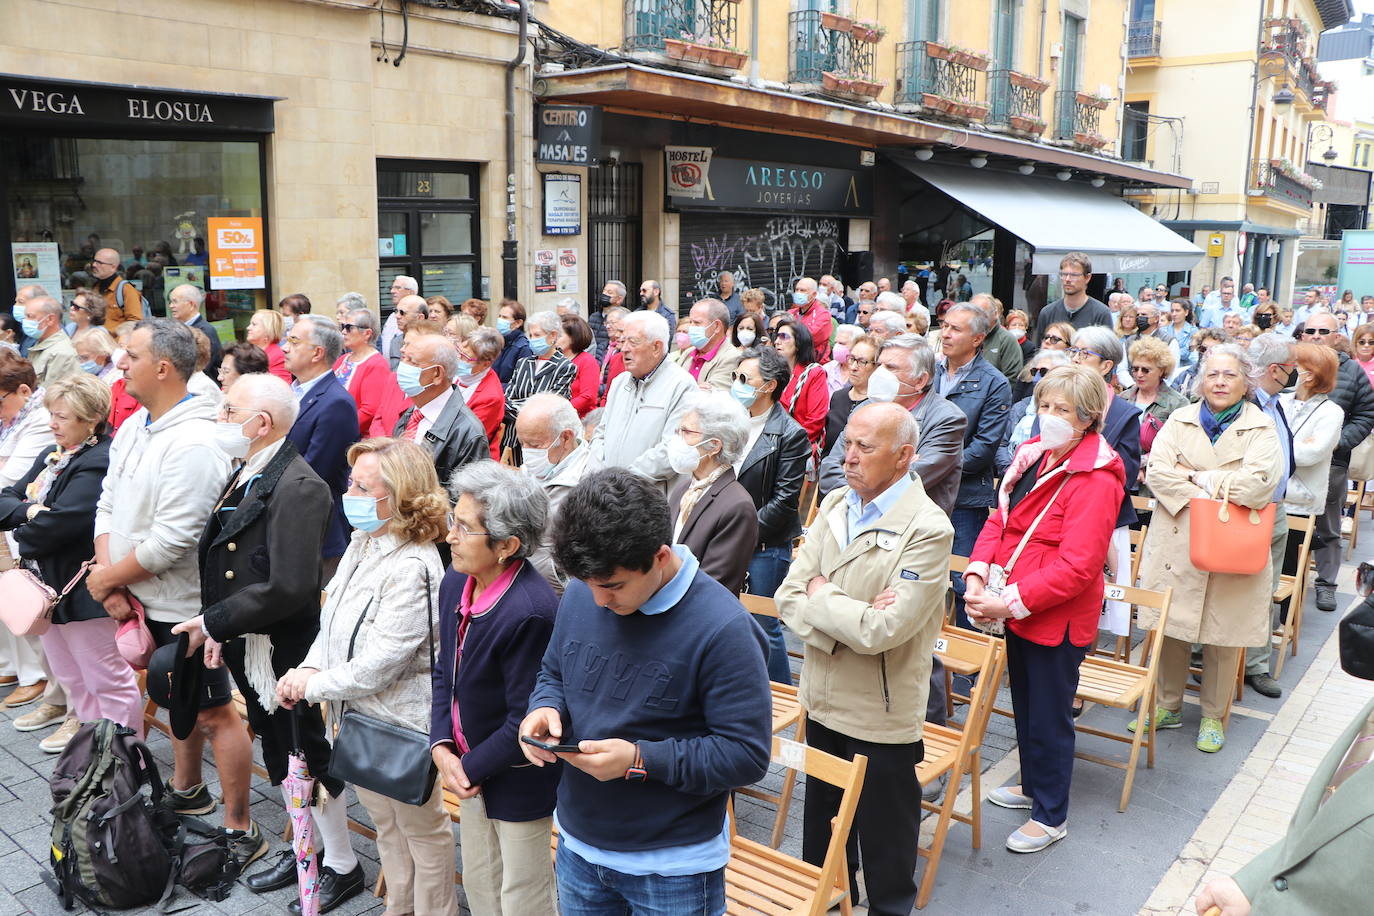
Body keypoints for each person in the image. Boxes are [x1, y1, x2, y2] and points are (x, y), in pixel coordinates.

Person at [519, 468, 770, 916]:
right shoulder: (585, 587)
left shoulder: (724, 628)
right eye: (589, 585)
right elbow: (555, 670)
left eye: (613, 586)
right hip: (577, 845)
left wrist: (639, 760)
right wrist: (544, 707)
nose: (599, 601)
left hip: (672, 867)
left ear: (659, 556)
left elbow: (746, 756)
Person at [170, 373, 360, 911]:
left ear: (263, 423)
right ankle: (308, 846)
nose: (221, 420)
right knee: (280, 749)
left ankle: (342, 864)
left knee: (307, 752)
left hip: (281, 647)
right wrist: (219, 625)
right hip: (249, 640)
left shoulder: (298, 484)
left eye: (230, 411)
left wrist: (214, 622)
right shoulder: (250, 468)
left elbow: (291, 585)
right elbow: (229, 560)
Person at [87, 319, 261, 859]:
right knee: (173, 693)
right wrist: (107, 578)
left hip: (186, 605)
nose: (120, 363)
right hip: (137, 591)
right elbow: (108, 501)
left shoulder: (195, 441)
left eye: (130, 354)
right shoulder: (140, 424)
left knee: (212, 712)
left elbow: (174, 540)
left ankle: (240, 828)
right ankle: (187, 791)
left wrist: (109, 578)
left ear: (162, 367)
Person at [777, 402, 952, 914]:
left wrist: (821, 596)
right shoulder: (835, 502)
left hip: (880, 712)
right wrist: (841, 612)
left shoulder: (928, 527)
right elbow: (789, 597)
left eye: (864, 448)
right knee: (822, 847)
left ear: (903, 457)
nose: (848, 457)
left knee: (886, 850)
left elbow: (883, 631)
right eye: (846, 444)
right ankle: (834, 904)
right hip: (822, 696)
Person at [276, 437, 452, 915]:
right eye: (351, 481)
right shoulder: (364, 541)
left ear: (399, 497)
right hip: (358, 718)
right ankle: (400, 906)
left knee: (424, 834)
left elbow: (380, 663)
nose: (348, 492)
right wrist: (311, 664)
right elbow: (330, 621)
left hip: (399, 724)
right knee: (388, 828)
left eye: (361, 485)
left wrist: (311, 685)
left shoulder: (414, 566)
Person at [967, 365, 1125, 852]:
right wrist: (976, 570)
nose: (1049, 416)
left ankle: (1051, 812)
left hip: (1052, 614)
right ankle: (1032, 785)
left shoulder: (1096, 478)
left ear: (1088, 419)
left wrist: (1008, 601)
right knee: (1026, 705)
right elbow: (1002, 520)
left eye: (1062, 409)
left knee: (1051, 714)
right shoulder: (1033, 455)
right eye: (1045, 405)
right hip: (1019, 604)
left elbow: (1079, 566)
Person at [1134, 344, 1283, 753]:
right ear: (1200, 379)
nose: (1219, 381)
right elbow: (1159, 475)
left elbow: (1258, 488)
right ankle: (1167, 706)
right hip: (1179, 537)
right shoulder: (1178, 419)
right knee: (1173, 626)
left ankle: (1214, 717)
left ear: (1246, 382)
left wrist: (1197, 477)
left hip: (1234, 542)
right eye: (1212, 374)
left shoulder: (1261, 427)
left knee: (1224, 631)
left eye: (1230, 375)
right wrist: (1217, 487)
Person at [426, 461, 560, 915]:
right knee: (481, 882)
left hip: (515, 773)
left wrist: (465, 768)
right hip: (471, 767)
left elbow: (524, 721)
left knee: (522, 894)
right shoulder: (454, 582)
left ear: (507, 545)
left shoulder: (530, 610)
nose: (450, 536)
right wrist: (441, 745)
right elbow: (444, 668)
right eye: (453, 521)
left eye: (464, 528)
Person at [0, 375, 139, 751]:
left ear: (90, 419)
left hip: (80, 590)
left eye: (61, 416)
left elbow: (56, 527)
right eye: (51, 414)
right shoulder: (56, 452)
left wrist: (24, 525)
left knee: (106, 680)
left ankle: (125, 760)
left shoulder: (98, 460)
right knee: (71, 677)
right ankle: (93, 753)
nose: (52, 423)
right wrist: (32, 511)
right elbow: (5, 499)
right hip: (48, 586)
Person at [819, 334, 968, 515]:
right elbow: (829, 469)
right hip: (853, 519)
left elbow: (911, 481)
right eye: (879, 365)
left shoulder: (947, 419)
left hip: (909, 531)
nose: (879, 374)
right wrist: (860, 492)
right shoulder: (866, 407)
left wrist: (853, 474)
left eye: (890, 367)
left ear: (920, 380)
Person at [732, 347, 809, 683]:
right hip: (729, 538)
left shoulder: (790, 434)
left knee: (764, 626)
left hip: (764, 546)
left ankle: (782, 695)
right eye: (735, 377)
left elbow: (783, 502)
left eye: (745, 379)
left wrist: (739, 533)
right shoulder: (729, 421)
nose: (737, 385)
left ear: (770, 385)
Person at [939, 303, 1013, 628]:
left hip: (964, 498)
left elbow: (983, 449)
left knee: (963, 581)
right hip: (921, 492)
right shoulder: (929, 371)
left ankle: (969, 673)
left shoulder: (994, 383)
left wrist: (928, 467)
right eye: (944, 326)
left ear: (978, 338)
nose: (946, 333)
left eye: (956, 329)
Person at [1303, 310, 1374, 612]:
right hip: (1288, 462)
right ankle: (1286, 578)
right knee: (1285, 523)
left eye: (1323, 331)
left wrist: (1339, 441)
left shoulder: (1352, 371)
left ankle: (1326, 584)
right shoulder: (1291, 367)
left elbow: (1366, 413)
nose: (1317, 335)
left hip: (1332, 464)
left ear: (1336, 336)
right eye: (1311, 331)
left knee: (1328, 525)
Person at [0, 349, 59, 715]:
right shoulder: (12, 418)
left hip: (22, 521)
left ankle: (34, 676)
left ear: (23, 391)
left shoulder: (37, 420)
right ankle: (13, 668)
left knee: (21, 599)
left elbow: (9, 480)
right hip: (9, 516)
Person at [283, 315, 360, 579]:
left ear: (317, 353)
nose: (285, 347)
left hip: (318, 531)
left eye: (294, 341)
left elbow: (314, 472)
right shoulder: (293, 392)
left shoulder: (335, 403)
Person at [589, 310, 698, 495]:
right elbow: (600, 434)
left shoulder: (681, 385)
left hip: (649, 500)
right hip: (610, 496)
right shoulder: (619, 382)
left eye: (633, 342)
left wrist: (623, 481)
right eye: (623, 341)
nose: (623, 349)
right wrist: (602, 476)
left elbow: (672, 448)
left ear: (656, 347)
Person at [665, 393, 758, 595]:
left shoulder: (737, 506)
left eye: (686, 432)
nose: (677, 440)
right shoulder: (682, 490)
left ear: (715, 445)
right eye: (678, 431)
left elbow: (716, 582)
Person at [393, 332, 489, 491]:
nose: (403, 367)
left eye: (412, 362)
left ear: (437, 374)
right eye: (404, 358)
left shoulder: (468, 432)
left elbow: (465, 503)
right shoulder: (412, 414)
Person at [501, 310, 577, 457]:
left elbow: (551, 408)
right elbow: (506, 399)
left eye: (537, 335)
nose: (532, 339)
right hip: (513, 438)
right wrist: (529, 407)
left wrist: (518, 406)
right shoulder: (523, 363)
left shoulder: (565, 367)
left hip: (542, 440)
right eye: (530, 335)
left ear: (553, 336)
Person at [1122, 336, 1189, 492]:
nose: (1139, 374)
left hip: (1156, 486)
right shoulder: (1122, 399)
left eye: (1146, 370)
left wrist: (1142, 463)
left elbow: (1179, 446)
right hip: (1121, 482)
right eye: (1135, 368)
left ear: (1161, 371)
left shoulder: (1178, 404)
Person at [1000, 350, 1074, 470]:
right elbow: (1002, 444)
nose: (1036, 378)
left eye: (1044, 372)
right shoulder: (1021, 407)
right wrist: (1010, 471)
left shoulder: (1067, 412)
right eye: (1035, 372)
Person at [333, 308, 394, 436]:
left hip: (354, 437)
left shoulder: (377, 364)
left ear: (367, 333)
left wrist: (337, 430)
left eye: (349, 327)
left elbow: (369, 411)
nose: (343, 332)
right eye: (342, 327)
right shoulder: (342, 360)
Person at [772, 316, 829, 448]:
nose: (776, 341)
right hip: (772, 443)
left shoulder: (814, 373)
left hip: (798, 446)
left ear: (799, 343)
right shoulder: (773, 372)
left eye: (783, 337)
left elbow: (816, 421)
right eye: (776, 336)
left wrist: (788, 445)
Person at [1033, 253, 1113, 342]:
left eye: (1074, 275)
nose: (1067, 279)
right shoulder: (1047, 313)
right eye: (1064, 274)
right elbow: (1040, 351)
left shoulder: (1101, 314)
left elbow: (1107, 353)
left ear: (1087, 278)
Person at [456, 327, 505, 460]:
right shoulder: (457, 373)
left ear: (486, 364)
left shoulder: (490, 397)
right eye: (459, 352)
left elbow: (466, 439)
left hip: (469, 457)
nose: (458, 359)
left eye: (465, 357)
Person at [824, 332, 878, 451]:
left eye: (862, 362)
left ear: (877, 366)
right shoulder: (838, 397)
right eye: (852, 359)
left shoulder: (878, 404)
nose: (853, 367)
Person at [675, 298, 740, 391]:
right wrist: (696, 389)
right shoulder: (688, 354)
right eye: (690, 322)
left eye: (697, 323)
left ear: (717, 326)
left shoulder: (732, 357)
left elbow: (710, 399)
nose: (691, 328)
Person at [168, 285, 222, 380]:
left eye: (175, 301)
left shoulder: (206, 331)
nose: (171, 306)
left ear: (191, 305)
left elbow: (202, 367)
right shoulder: (178, 328)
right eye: (171, 302)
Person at [23, 296, 80, 386]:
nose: (25, 321)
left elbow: (52, 396)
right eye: (25, 316)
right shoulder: (41, 344)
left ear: (50, 319)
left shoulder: (61, 354)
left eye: (30, 316)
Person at [970, 293, 1024, 383]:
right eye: (974, 314)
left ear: (995, 314)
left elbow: (1012, 379)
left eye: (982, 314)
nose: (977, 318)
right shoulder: (966, 336)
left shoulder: (1007, 340)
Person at [559, 314, 600, 416]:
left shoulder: (587, 361)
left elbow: (588, 397)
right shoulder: (556, 359)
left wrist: (559, 411)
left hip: (580, 419)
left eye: (559, 335)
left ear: (573, 338)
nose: (554, 339)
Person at [90, 248, 143, 324]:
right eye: (94, 261)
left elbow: (135, 321)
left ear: (113, 267)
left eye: (99, 263)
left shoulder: (126, 289)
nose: (94, 265)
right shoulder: (95, 288)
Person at [788, 276, 833, 362]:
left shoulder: (823, 315)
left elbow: (808, 337)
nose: (798, 293)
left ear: (814, 294)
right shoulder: (790, 313)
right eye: (797, 290)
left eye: (803, 290)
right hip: (793, 362)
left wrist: (790, 334)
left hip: (815, 364)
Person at [492, 300, 534, 384]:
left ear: (518, 323)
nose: (500, 320)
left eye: (504, 317)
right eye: (499, 316)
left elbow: (521, 384)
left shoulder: (523, 348)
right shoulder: (498, 342)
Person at [596, 305, 630, 405]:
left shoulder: (629, 357)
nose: (607, 326)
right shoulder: (602, 347)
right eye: (606, 322)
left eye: (612, 323)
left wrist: (596, 390)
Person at [246, 308, 291, 382]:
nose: (248, 328)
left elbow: (280, 388)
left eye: (254, 324)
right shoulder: (247, 351)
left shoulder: (278, 356)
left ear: (268, 330)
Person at [379, 275, 419, 358]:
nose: (392, 291)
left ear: (410, 292)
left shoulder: (417, 316)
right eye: (392, 287)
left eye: (397, 288)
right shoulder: (391, 317)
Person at [387, 294, 430, 372]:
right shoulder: (396, 341)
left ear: (420, 318)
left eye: (402, 312)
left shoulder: (434, 343)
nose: (397, 316)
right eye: (396, 311)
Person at [589, 280, 626, 360]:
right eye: (604, 291)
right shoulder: (593, 317)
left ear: (619, 299)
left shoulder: (624, 318)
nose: (604, 294)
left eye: (610, 292)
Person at [821, 323, 862, 394]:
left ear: (856, 345)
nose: (837, 347)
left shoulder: (864, 372)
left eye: (842, 343)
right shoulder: (827, 368)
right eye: (836, 343)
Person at [1160, 298, 1199, 370]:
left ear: (1186, 312)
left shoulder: (1193, 331)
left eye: (1177, 311)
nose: (1174, 314)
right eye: (1172, 311)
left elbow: (1188, 354)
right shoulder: (1163, 330)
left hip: (1183, 369)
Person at [1353, 322, 1374, 387]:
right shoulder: (1348, 363)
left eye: (1371, 342)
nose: (1366, 345)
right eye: (1362, 342)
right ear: (1355, 342)